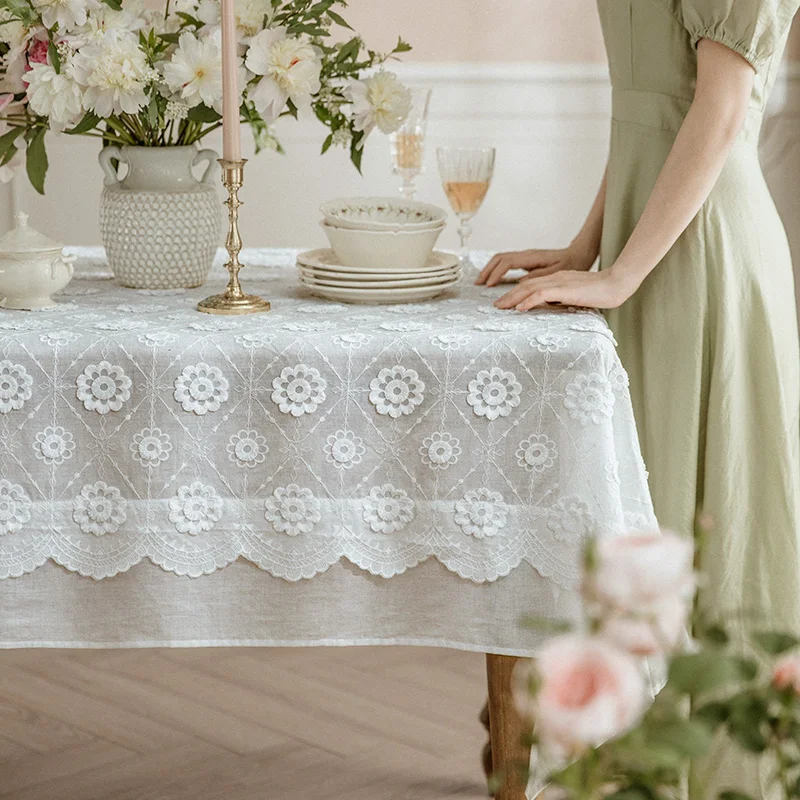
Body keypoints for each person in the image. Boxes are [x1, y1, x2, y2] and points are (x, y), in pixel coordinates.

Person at [478, 1, 800, 797]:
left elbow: (720, 112)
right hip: (647, 238)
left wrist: (620, 270)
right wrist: (589, 247)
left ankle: (719, 776)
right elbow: (647, 113)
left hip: (704, 253)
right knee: (631, 526)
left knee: (699, 528)